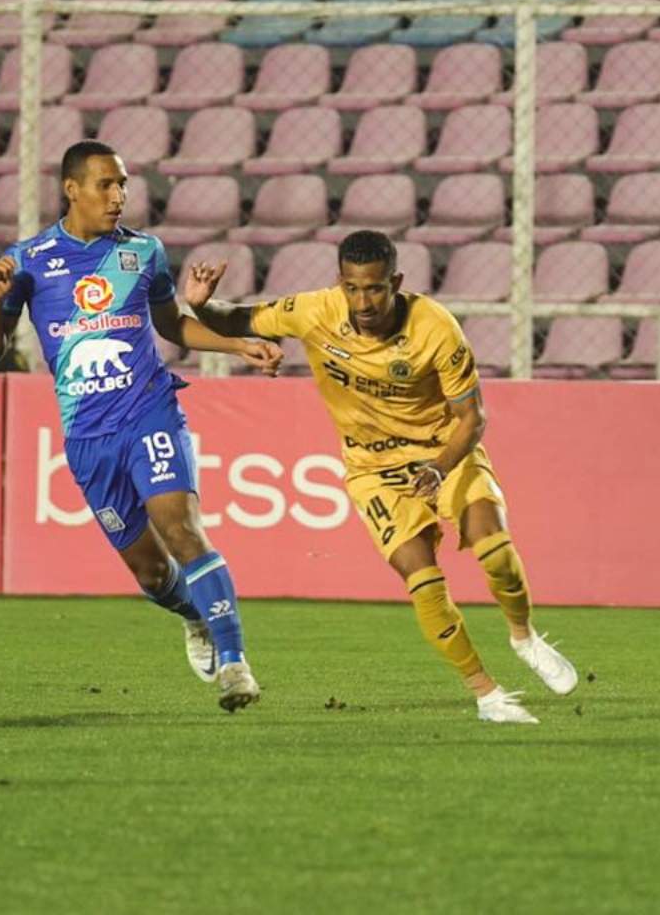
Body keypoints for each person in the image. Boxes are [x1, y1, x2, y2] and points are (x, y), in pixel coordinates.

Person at [182, 230, 578, 724]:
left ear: (396, 282)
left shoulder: (435, 327)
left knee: (493, 547)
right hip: (373, 471)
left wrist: (439, 467)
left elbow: (472, 417)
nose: (362, 301)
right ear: (340, 283)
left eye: (374, 288)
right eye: (352, 288)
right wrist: (201, 304)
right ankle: (487, 694)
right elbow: (239, 319)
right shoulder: (315, 311)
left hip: (442, 452)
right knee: (424, 581)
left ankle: (524, 637)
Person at [0, 140, 282, 712]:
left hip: (149, 410)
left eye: (122, 185)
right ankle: (195, 616)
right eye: (105, 185)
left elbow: (173, 327)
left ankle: (237, 664)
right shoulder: (29, 260)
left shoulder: (144, 251)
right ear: (72, 189)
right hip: (88, 439)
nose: (118, 196)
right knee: (148, 570)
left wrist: (239, 344)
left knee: (182, 528)